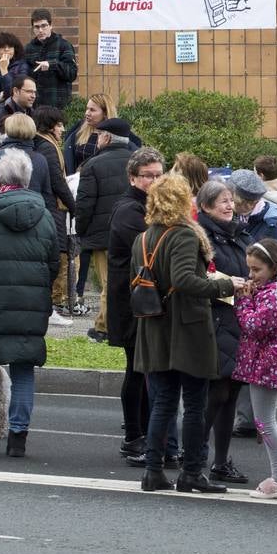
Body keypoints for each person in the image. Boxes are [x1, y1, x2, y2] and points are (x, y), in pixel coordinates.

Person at [133, 173, 241, 494]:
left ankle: (153, 471)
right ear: (182, 201)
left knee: (163, 402)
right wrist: (226, 284)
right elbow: (184, 280)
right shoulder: (183, 235)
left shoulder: (143, 238)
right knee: (195, 403)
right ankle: (192, 472)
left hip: (154, 327)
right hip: (186, 329)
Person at [0, 148, 59, 459]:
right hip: (30, 304)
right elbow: (54, 263)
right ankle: (18, 438)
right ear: (27, 178)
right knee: (23, 369)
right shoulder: (45, 216)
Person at [106, 147, 165, 461]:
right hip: (131, 302)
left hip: (143, 300)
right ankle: (133, 435)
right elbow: (150, 251)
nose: (154, 181)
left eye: (158, 175)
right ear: (133, 177)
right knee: (136, 369)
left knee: (146, 370)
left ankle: (146, 432)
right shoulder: (129, 209)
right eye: (147, 176)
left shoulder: (148, 206)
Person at [195, 179, 252, 486]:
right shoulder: (203, 238)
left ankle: (220, 461)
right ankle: (196, 457)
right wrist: (233, 283)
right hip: (215, 320)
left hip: (238, 320)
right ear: (206, 207)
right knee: (214, 395)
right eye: (223, 201)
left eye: (231, 200)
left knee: (230, 394)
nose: (230, 205)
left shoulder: (240, 234)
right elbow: (204, 276)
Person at [232, 238, 277, 499]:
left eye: (257, 270)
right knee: (266, 421)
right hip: (264, 362)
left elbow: (254, 327)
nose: (251, 275)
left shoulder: (275, 295)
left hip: (266, 363)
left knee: (265, 422)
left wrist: (243, 302)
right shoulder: (271, 291)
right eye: (249, 269)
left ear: (274, 268)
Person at [74, 117, 135, 343]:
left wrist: (82, 232)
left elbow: (85, 204)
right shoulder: (138, 161)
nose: (97, 138)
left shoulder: (93, 165)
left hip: (104, 234)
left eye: (99, 135)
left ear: (107, 137)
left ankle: (105, 328)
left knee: (109, 283)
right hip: (136, 232)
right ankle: (105, 323)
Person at [32, 107, 76, 326]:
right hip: (52, 207)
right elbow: (57, 180)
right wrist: (72, 204)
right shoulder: (48, 148)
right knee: (58, 255)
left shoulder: (40, 144)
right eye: (58, 125)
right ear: (49, 126)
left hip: (49, 205)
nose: (62, 129)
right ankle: (51, 306)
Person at [64, 93, 139, 175]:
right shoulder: (79, 132)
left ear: (105, 113)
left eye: (92, 110)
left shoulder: (119, 136)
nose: (87, 113)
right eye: (87, 109)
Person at [23, 9, 77, 111]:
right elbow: (24, 76)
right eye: (37, 27)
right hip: (36, 107)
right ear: (33, 28)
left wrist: (52, 65)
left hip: (58, 106)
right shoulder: (28, 49)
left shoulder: (63, 45)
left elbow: (72, 73)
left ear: (50, 26)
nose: (40, 30)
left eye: (44, 26)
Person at [229, 168, 277, 244]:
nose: (229, 205)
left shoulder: (273, 228)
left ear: (249, 205)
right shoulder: (239, 213)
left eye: (233, 201)